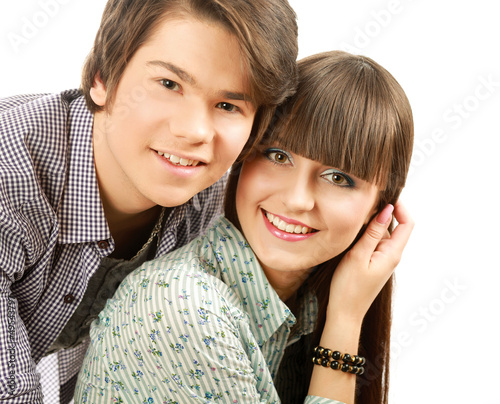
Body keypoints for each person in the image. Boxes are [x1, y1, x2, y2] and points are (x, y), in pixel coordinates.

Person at [74, 50, 414, 404]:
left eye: (338, 178)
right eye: (279, 156)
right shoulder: (186, 308)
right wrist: (344, 320)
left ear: (379, 207)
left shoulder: (305, 309)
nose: (298, 200)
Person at [0, 0, 299, 402]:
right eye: (168, 84)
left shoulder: (207, 197)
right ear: (103, 77)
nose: (195, 132)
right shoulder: (10, 178)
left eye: (228, 105)